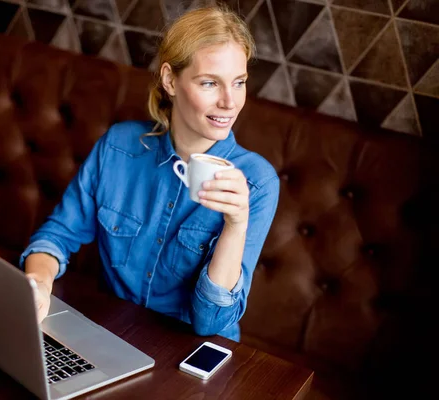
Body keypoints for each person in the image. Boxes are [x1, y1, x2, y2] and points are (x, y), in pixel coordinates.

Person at [19, 6, 279, 342]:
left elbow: (211, 323)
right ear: (171, 80)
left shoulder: (257, 182)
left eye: (239, 82)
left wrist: (236, 224)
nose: (230, 102)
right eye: (210, 83)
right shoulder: (118, 146)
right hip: (112, 334)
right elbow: (58, 234)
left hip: (190, 355)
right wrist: (39, 283)